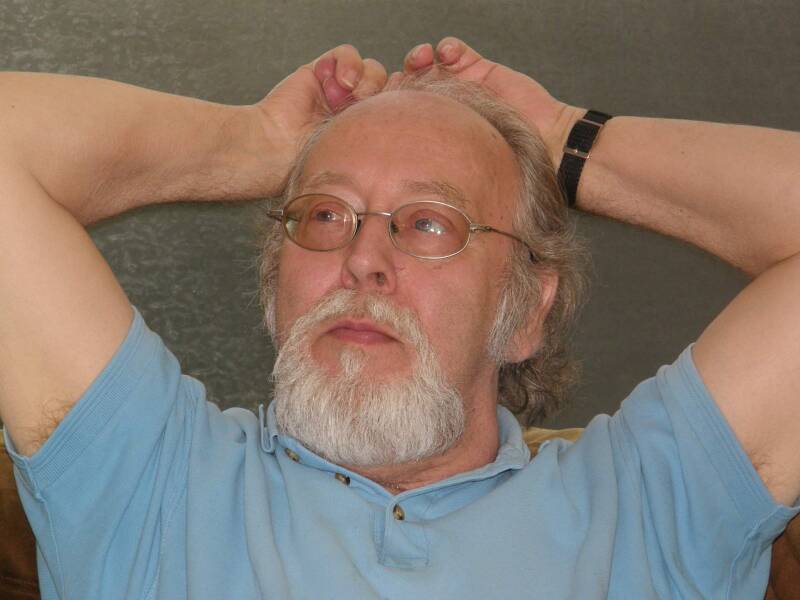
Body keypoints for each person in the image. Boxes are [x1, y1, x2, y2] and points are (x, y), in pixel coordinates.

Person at [0, 35, 797, 598]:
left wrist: (567, 141)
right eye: (324, 214)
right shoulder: (149, 482)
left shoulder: (654, 506)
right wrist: (249, 143)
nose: (363, 259)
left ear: (526, 309)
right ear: (276, 285)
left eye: (429, 224)